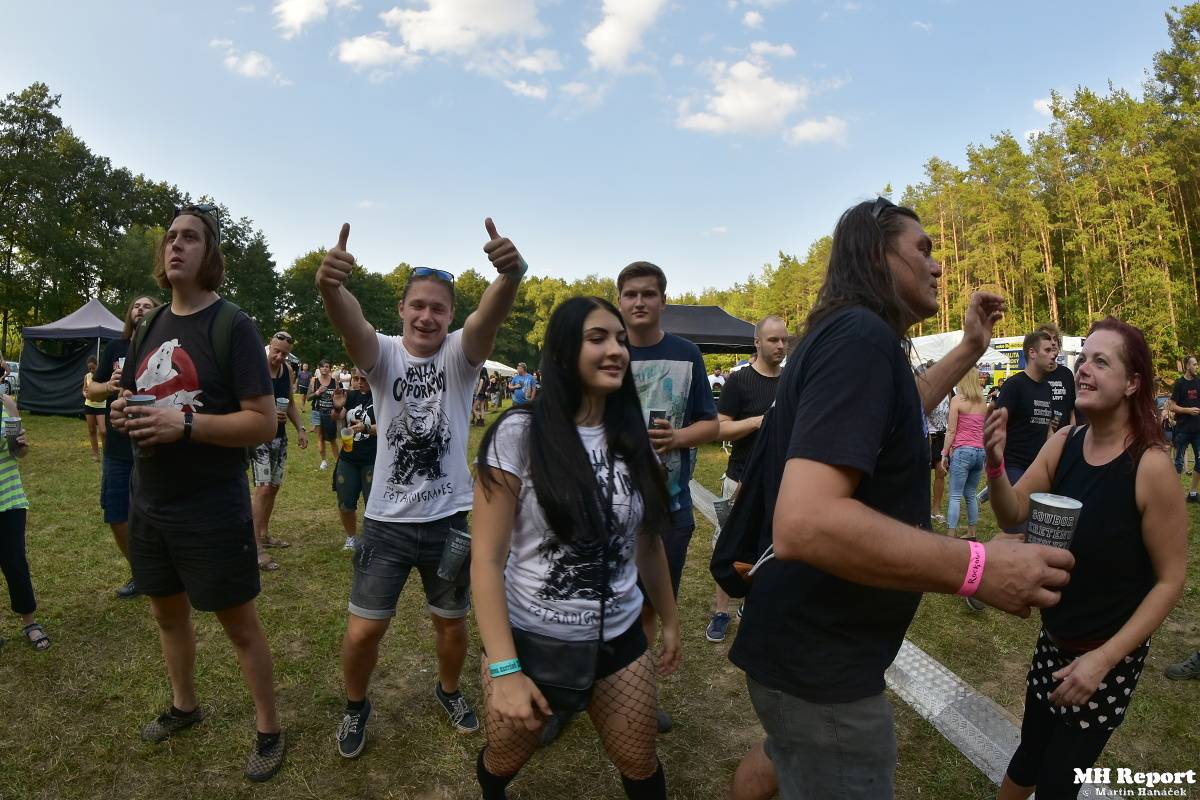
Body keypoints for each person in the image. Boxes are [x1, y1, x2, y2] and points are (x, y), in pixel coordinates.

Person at [726, 197, 1073, 800]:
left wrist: (968, 346)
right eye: (924, 249)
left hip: (801, 645)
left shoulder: (847, 334)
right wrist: (977, 567)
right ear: (874, 255)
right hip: (823, 664)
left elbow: (889, 413)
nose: (938, 266)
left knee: (787, 753)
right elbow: (806, 523)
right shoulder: (859, 336)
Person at [318, 219, 526, 758]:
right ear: (403, 311)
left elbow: (489, 317)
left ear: (450, 316)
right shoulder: (384, 355)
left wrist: (509, 277)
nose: (427, 316)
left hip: (451, 522)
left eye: (438, 307)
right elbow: (351, 328)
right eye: (418, 305)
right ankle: (355, 706)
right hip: (386, 522)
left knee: (452, 628)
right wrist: (329, 287)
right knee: (364, 632)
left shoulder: (461, 355)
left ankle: (449, 690)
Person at [471, 296, 679, 800]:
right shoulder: (519, 435)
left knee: (639, 761)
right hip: (530, 642)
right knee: (504, 758)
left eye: (621, 340)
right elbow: (486, 560)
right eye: (598, 338)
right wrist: (505, 669)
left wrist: (669, 619)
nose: (616, 351)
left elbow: (647, 543)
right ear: (563, 352)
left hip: (620, 638)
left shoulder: (635, 440)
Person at [109, 205, 284, 781]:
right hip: (150, 498)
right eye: (171, 237)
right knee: (166, 614)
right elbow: (140, 395)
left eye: (191, 238)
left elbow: (262, 423)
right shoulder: (149, 324)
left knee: (237, 624)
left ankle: (268, 728)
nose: (176, 245)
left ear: (210, 255)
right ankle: (185, 705)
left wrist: (186, 426)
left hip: (211, 505)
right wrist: (122, 411)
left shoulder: (233, 325)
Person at [986, 317, 1186, 800]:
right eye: (1082, 359)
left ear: (1133, 382)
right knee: (1030, 752)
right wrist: (994, 464)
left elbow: (1171, 580)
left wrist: (1101, 660)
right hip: (1055, 640)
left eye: (1102, 361)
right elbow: (1014, 513)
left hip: (1107, 655)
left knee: (1059, 784)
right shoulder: (1065, 442)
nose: (1084, 369)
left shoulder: (1151, 466)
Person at [617, 260, 719, 734]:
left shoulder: (686, 354)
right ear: (620, 301)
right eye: (631, 294)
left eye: (648, 294)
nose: (639, 302)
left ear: (663, 300)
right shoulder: (605, 350)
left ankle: (636, 696)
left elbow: (711, 423)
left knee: (650, 605)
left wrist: (677, 438)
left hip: (669, 505)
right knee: (591, 601)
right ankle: (570, 696)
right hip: (606, 506)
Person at [704, 315, 787, 644]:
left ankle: (753, 608)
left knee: (769, 548)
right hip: (739, 478)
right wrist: (757, 422)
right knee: (730, 545)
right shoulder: (739, 381)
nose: (780, 346)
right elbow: (719, 428)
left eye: (784, 340)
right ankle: (721, 612)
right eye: (773, 340)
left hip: (779, 482)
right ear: (757, 342)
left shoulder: (791, 380)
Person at [89, 295, 161, 598]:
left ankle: (164, 571)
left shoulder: (161, 347)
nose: (141, 309)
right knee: (116, 512)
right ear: (129, 313)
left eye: (148, 306)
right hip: (118, 445)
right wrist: (109, 386)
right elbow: (92, 388)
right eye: (136, 305)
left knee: (157, 512)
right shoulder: (115, 348)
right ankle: (142, 573)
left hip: (154, 441)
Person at [250, 332, 308, 572]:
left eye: (284, 353)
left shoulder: (288, 371)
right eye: (276, 351)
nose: (279, 356)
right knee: (262, 489)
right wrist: (270, 414)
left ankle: (263, 534)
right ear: (269, 346)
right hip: (259, 437)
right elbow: (247, 404)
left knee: (273, 487)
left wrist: (301, 428)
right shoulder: (256, 369)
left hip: (280, 438)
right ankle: (254, 547)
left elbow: (291, 404)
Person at [992, 329, 1059, 532]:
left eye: (1053, 350)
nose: (1053, 354)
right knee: (1019, 529)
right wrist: (997, 468)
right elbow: (998, 427)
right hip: (1014, 467)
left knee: (1039, 530)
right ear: (1032, 353)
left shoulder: (1047, 388)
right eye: (1047, 350)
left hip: (1038, 470)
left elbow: (1047, 429)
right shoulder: (1014, 385)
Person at [1, 392, 50, 651]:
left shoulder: (6, 403)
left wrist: (22, 444)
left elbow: (21, 452)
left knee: (16, 563)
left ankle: (30, 622)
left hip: (9, 498)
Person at [331, 368, 376, 551]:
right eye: (356, 378)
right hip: (348, 457)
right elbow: (338, 418)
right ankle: (351, 537)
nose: (359, 382)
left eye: (363, 379)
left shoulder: (382, 396)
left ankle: (373, 540)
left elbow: (390, 425)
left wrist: (365, 428)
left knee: (373, 503)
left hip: (373, 458)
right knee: (345, 500)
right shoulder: (350, 395)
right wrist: (338, 407)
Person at [942, 367, 987, 541]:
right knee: (970, 494)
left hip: (962, 451)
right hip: (979, 452)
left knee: (954, 495)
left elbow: (951, 430)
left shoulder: (957, 400)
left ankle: (950, 535)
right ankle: (972, 532)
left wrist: (944, 453)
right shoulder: (983, 402)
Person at [1167, 354, 1200, 500]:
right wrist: (1188, 410)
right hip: (1182, 430)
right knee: (1178, 462)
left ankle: (1192, 493)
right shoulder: (1179, 384)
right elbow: (1172, 406)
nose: (1196, 367)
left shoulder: (1199, 382)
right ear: (1187, 366)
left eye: (1197, 364)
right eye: (1194, 364)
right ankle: (1174, 494)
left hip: (1198, 431)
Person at [1037, 322, 1076, 431]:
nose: (1053, 343)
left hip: (1065, 439)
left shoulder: (1067, 374)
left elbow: (1072, 411)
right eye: (1048, 339)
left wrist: (1073, 436)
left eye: (1055, 339)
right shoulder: (1034, 376)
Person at [926, 384, 950, 524]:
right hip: (927, 436)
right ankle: (922, 507)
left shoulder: (947, 391)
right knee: (922, 475)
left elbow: (949, 415)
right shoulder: (927, 391)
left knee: (941, 472)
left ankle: (936, 509)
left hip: (942, 437)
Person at [307, 359, 337, 469]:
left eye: (327, 366)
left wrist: (337, 409)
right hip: (317, 412)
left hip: (331, 413)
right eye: (322, 366)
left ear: (329, 368)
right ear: (319, 368)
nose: (324, 368)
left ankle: (338, 461)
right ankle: (323, 461)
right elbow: (308, 398)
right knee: (320, 437)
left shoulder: (335, 381)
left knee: (332, 438)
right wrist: (317, 392)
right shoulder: (314, 381)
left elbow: (339, 397)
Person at [83, 356, 106, 462]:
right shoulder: (87, 376)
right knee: (92, 430)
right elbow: (84, 390)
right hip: (89, 406)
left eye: (93, 368)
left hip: (101, 406)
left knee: (103, 431)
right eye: (90, 369)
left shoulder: (103, 376)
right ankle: (95, 454)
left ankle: (107, 454)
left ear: (97, 366)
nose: (92, 370)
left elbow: (105, 391)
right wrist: (85, 394)